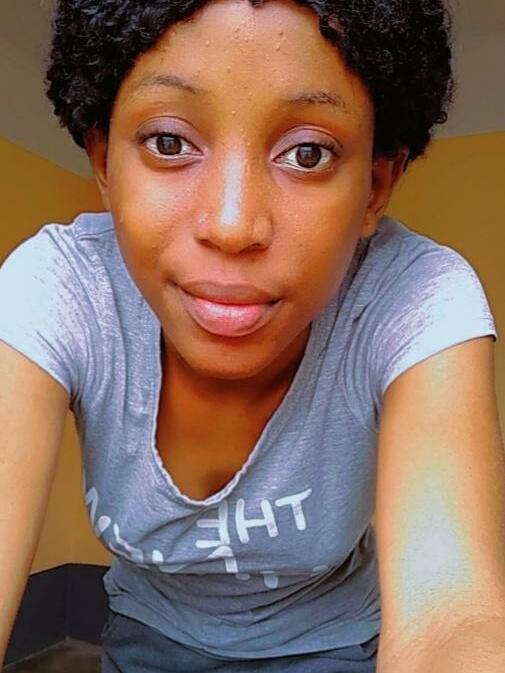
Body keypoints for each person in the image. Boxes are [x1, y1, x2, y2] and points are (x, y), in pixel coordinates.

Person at [1, 0, 505, 671]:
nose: (233, 225)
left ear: (375, 187)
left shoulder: (412, 296)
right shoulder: (61, 287)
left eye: (307, 153)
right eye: (169, 142)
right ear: (103, 163)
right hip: (143, 636)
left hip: (332, 646)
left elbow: (452, 614)